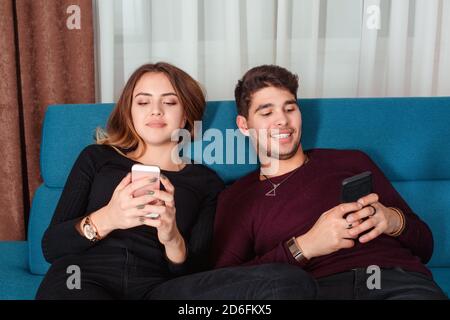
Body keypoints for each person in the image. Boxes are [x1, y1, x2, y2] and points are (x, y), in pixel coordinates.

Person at [36, 62, 315, 300]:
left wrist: (171, 238)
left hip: (160, 289)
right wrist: (109, 217)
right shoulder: (97, 158)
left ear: (185, 116)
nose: (155, 111)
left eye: (169, 102)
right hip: (84, 279)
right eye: (143, 102)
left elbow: (198, 272)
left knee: (289, 281)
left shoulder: (207, 183)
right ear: (129, 112)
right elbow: (52, 247)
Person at [212, 64, 447, 300]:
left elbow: (425, 245)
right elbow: (222, 283)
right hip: (317, 289)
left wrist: (392, 220)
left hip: (398, 282)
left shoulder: (352, 161)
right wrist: (303, 247)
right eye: (266, 112)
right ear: (244, 125)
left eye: (290, 108)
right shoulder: (238, 197)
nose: (282, 120)